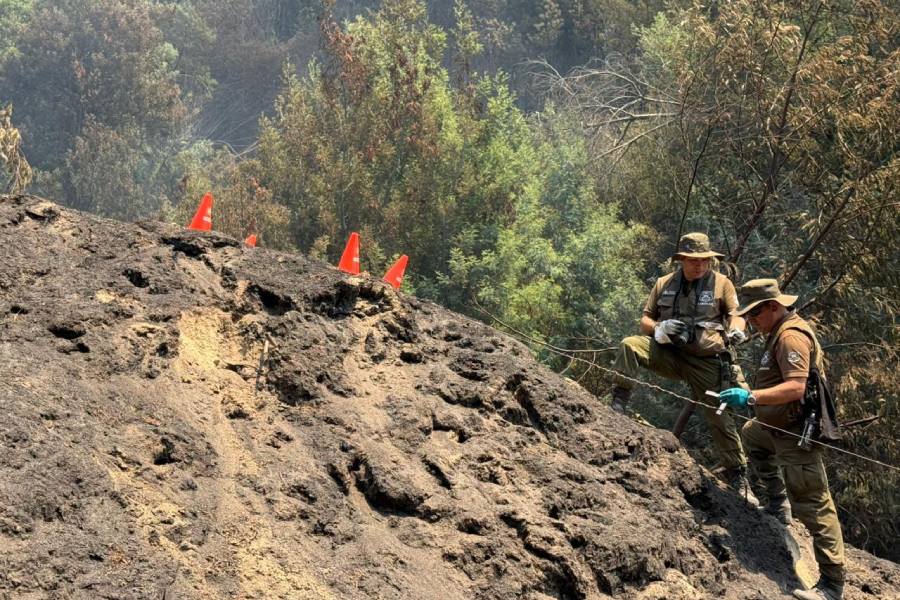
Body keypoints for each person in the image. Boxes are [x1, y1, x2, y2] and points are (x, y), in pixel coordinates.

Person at [719, 279, 845, 600]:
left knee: (814, 504)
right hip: (774, 428)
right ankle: (778, 505)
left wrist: (750, 397)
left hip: (795, 435)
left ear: (774, 307)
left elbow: (795, 388)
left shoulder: (790, 337)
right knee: (752, 435)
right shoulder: (775, 332)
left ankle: (832, 585)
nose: (751, 321)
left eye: (755, 314)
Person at [610, 232, 755, 500]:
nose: (699, 265)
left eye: (704, 260)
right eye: (693, 260)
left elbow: (736, 316)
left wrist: (736, 330)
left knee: (719, 414)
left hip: (706, 361)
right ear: (682, 260)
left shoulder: (721, 284)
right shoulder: (664, 283)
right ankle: (618, 404)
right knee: (630, 345)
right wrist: (658, 328)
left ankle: (738, 473)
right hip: (670, 353)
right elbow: (645, 320)